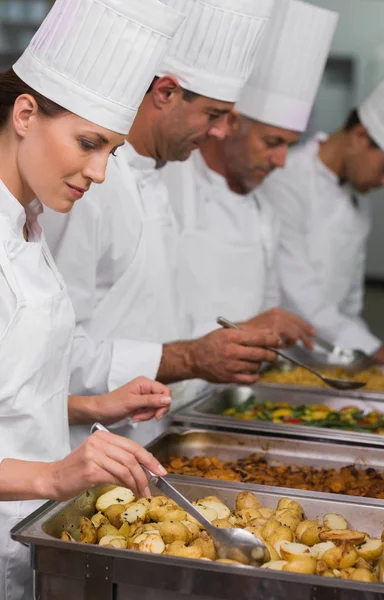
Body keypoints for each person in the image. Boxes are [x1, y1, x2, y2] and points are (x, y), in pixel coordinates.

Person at [0, 0, 185, 597]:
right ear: (25, 113)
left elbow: (15, 397)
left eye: (111, 151)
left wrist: (91, 406)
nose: (98, 172)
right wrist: (55, 475)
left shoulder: (28, 222)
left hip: (26, 535)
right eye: (87, 143)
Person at [42, 0, 281, 448]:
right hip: (82, 444)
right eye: (213, 114)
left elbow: (151, 311)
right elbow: (52, 351)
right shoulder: (90, 187)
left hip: (146, 435)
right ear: (166, 93)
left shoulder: (155, 176)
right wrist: (188, 357)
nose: (221, 132)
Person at [163, 0, 338, 349]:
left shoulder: (264, 212)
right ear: (232, 123)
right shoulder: (170, 184)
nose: (281, 160)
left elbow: (267, 309)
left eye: (290, 145)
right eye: (272, 142)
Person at [264, 65, 384, 365]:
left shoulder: (358, 199)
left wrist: (365, 357)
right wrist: (382, 355)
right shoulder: (287, 178)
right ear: (361, 136)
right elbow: (299, 297)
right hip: (282, 360)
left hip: (331, 358)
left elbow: (350, 305)